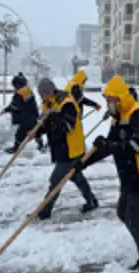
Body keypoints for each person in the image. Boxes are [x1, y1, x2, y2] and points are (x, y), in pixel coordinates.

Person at [80, 74, 139, 273]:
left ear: (120, 98)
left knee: (134, 218)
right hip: (130, 176)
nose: (108, 105)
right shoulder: (118, 119)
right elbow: (108, 148)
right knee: (123, 213)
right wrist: (83, 163)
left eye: (110, 100)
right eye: (107, 101)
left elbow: (136, 146)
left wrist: (110, 144)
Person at [35, 77, 99, 218]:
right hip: (61, 148)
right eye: (41, 95)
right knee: (76, 176)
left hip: (71, 149)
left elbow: (67, 126)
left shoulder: (67, 103)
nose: (42, 98)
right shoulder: (48, 104)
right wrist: (36, 131)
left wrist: (52, 116)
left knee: (56, 180)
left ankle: (45, 211)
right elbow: (45, 125)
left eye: (44, 94)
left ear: (51, 91)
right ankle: (91, 200)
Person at [3, 73, 43, 154]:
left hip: (26, 117)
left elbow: (15, 105)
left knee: (20, 133)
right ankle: (41, 146)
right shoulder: (27, 89)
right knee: (35, 131)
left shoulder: (20, 93)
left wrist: (7, 109)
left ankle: (15, 148)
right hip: (33, 115)